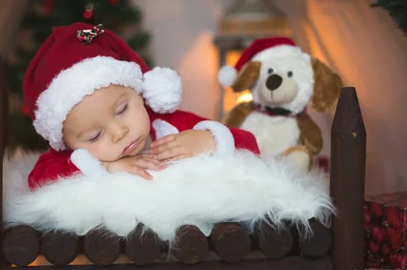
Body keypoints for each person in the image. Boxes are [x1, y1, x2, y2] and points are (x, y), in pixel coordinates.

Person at [23, 22, 260, 190]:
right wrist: (107, 167)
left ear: (138, 92)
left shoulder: (171, 124)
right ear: (68, 144)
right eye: (95, 136)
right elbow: (38, 179)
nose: (120, 132)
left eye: (122, 110)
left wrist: (209, 139)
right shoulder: (73, 158)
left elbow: (250, 144)